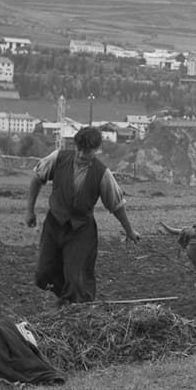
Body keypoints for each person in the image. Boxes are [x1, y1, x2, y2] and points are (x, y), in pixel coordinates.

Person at [25, 127, 140, 307]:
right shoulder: (58, 158)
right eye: (78, 148)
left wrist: (130, 230)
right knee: (43, 274)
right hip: (54, 223)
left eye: (86, 151)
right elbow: (37, 179)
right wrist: (29, 210)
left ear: (96, 150)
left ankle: (73, 305)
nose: (80, 154)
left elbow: (116, 205)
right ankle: (64, 297)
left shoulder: (102, 173)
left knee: (76, 276)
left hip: (81, 230)